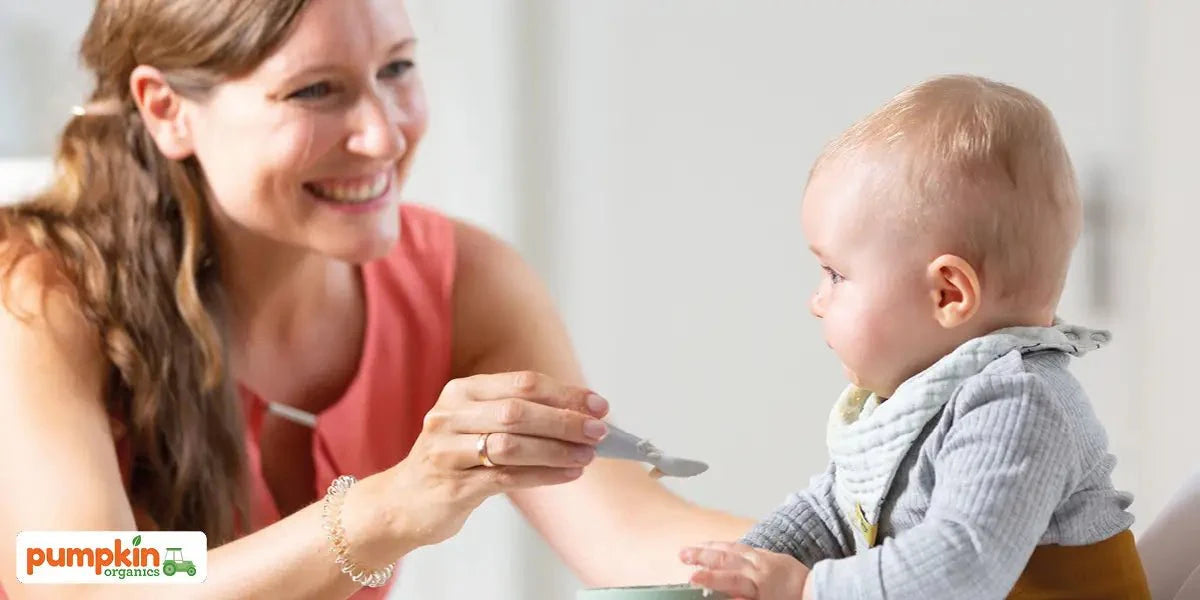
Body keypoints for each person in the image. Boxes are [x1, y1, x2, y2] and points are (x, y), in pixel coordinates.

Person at [0, 1, 750, 598]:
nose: (383, 135)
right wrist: (389, 509)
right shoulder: (39, 292)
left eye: (397, 69)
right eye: (316, 90)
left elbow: (632, 538)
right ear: (166, 108)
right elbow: (81, 574)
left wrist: (853, 555)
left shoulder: (464, 282)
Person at [678, 75, 1151, 599]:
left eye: (836, 275)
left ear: (948, 294)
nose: (816, 302)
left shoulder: (1018, 403)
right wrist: (746, 566)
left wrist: (807, 590)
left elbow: (962, 565)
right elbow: (834, 511)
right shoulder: (916, 403)